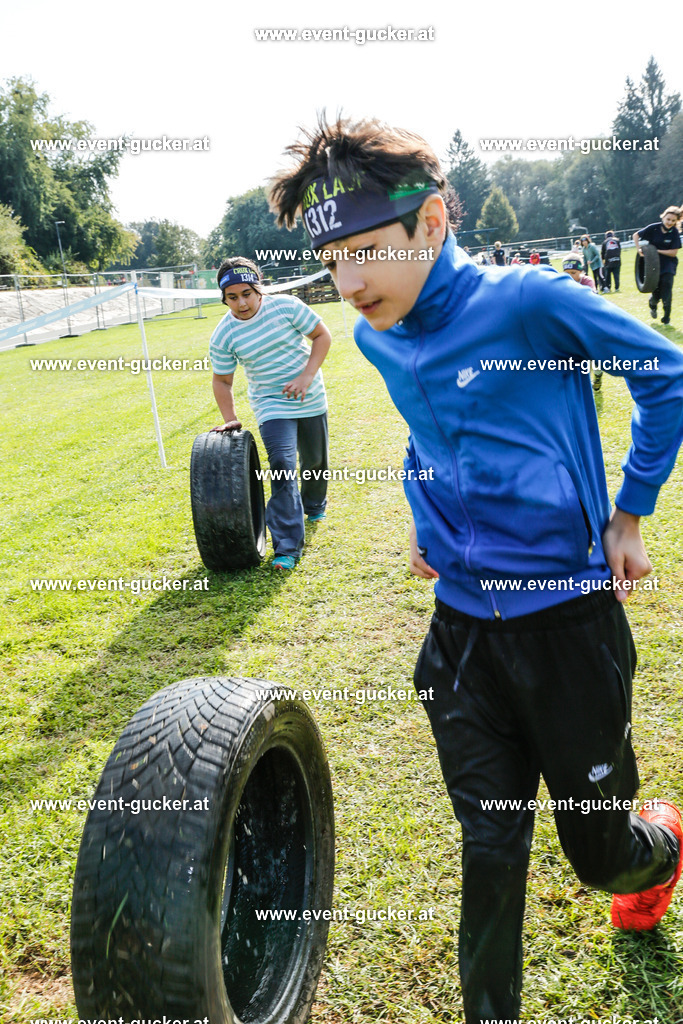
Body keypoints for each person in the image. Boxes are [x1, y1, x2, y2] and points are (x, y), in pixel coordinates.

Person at [269, 115, 683, 1023]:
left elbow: (667, 374)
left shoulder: (531, 304)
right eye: (332, 260)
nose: (349, 282)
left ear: (431, 225)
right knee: (489, 847)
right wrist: (424, 515)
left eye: (367, 251)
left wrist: (628, 511)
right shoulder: (378, 338)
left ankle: (658, 848)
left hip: (569, 628)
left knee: (596, 856)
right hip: (458, 638)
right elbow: (427, 439)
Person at [209, 256, 332, 570]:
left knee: (315, 459)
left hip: (310, 395)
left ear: (258, 289)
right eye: (232, 297)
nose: (241, 303)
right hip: (270, 404)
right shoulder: (224, 335)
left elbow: (322, 336)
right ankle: (287, 547)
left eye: (246, 294)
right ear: (223, 298)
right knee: (281, 465)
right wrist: (229, 417)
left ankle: (315, 502)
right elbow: (222, 381)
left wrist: (306, 376)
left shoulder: (287, 307)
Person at [633, 206, 681, 325]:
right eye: (668, 219)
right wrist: (639, 249)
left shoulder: (674, 232)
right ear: (663, 217)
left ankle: (666, 318)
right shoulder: (653, 228)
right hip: (652, 265)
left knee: (667, 288)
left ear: (676, 222)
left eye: (673, 221)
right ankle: (653, 305)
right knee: (657, 292)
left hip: (668, 264)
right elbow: (636, 235)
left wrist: (657, 251)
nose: (670, 222)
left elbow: (673, 252)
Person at [562, 254, 602, 391]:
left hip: (590, 325)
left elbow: (590, 298)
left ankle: (598, 375)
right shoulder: (562, 283)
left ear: (581, 271)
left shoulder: (587, 281)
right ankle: (583, 386)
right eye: (567, 273)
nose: (570, 276)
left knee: (595, 358)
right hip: (573, 327)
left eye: (573, 273)